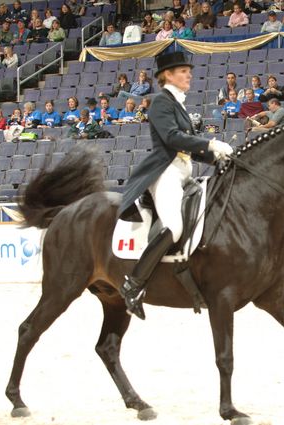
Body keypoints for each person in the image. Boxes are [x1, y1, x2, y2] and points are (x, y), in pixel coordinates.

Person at [117, 52, 233, 319]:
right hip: (165, 171)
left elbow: (189, 147)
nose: (188, 74)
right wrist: (210, 143)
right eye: (183, 71)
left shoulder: (178, 104)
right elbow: (172, 138)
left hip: (183, 172)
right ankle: (133, 284)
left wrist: (218, 158)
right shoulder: (159, 101)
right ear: (167, 75)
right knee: (175, 226)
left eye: (188, 71)